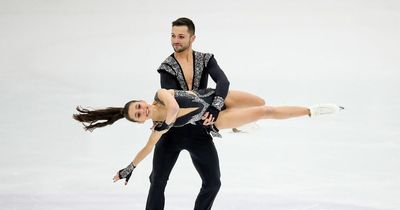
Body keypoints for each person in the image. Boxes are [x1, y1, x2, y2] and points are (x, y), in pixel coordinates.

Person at [72, 88, 343, 186]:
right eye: (139, 115)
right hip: (214, 118)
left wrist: (166, 124)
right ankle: (313, 110)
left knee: (259, 100)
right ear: (141, 120)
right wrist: (129, 168)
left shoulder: (159, 94)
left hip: (214, 97)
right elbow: (146, 149)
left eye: (139, 107)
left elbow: (175, 107)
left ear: (143, 101)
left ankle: (241, 126)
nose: (143, 111)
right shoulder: (157, 129)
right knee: (264, 111)